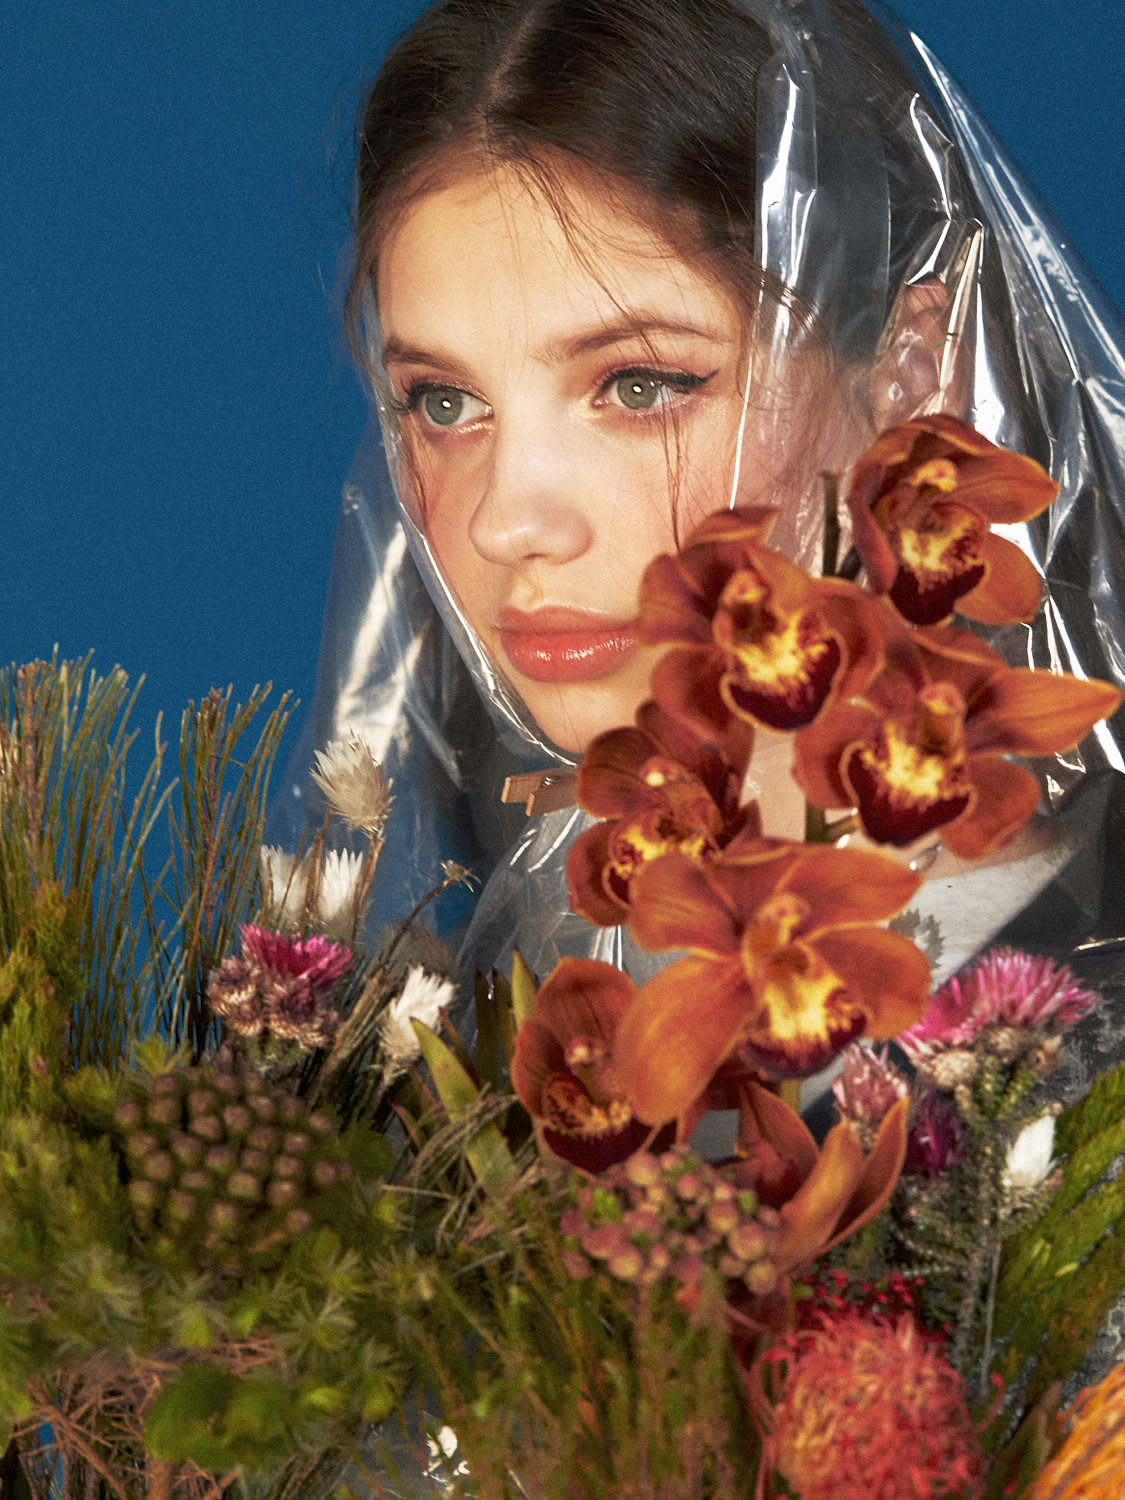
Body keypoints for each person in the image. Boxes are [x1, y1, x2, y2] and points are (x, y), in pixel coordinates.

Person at [267, 0, 1125, 1085]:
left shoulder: (1081, 1065)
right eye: (444, 403)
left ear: (910, 375)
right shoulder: (467, 1021)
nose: (504, 522)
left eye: (640, 386)